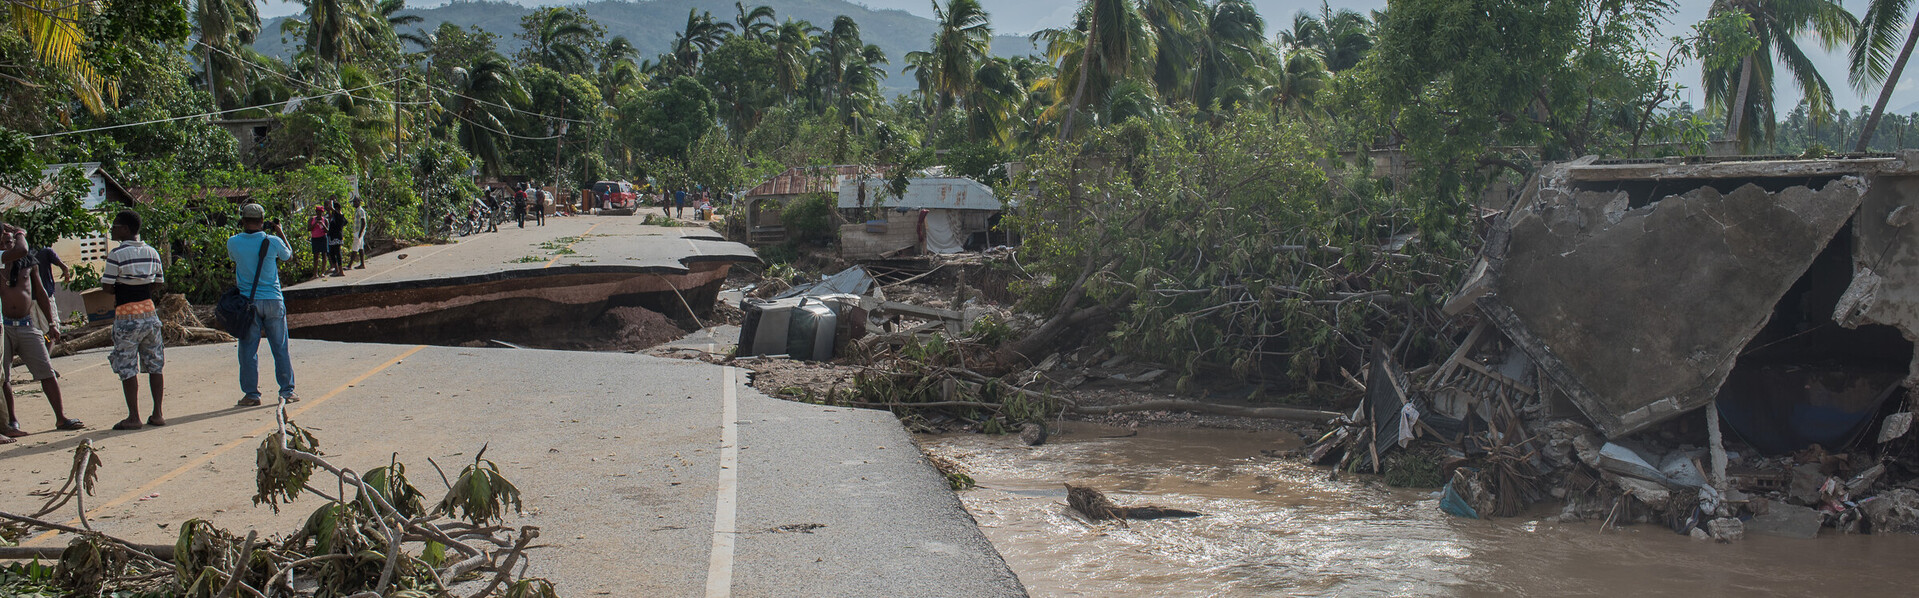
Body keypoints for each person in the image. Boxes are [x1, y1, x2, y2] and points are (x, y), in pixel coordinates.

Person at [0, 222, 76, 434]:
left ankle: (61, 418)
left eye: (10, 240)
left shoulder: (27, 262)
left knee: (47, 371)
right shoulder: (1, 260)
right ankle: (12, 421)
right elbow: (21, 248)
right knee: (4, 378)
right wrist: (19, 231)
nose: (7, 243)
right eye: (3, 241)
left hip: (26, 324)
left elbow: (40, 293)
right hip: (3, 325)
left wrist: (51, 322)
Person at [101, 211, 167, 430]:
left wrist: (125, 284)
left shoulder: (116, 254)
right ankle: (157, 413)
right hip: (149, 312)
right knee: (155, 363)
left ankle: (134, 416)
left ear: (126, 229)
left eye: (115, 226)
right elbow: (158, 282)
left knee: (127, 365)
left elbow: (107, 286)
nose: (112, 230)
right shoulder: (152, 252)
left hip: (126, 314)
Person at [228, 204, 298, 407]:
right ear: (262, 220)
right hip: (274, 300)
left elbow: (234, 259)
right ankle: (287, 390)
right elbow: (288, 256)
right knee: (280, 347)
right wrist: (280, 231)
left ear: (242, 220)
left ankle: (251, 394)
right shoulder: (273, 241)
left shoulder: (233, 242)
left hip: (248, 303)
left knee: (248, 350)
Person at [30, 245, 67, 330]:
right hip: (33, 298)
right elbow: (63, 267)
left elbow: (63, 266)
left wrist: (64, 269)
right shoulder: (44, 251)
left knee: (45, 329)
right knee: (48, 329)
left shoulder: (44, 251)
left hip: (43, 297)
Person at [326, 200, 347, 277]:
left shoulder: (339, 215)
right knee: (332, 253)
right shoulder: (334, 216)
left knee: (337, 253)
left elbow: (343, 221)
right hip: (332, 237)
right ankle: (337, 270)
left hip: (337, 236)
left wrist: (332, 207)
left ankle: (341, 271)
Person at [306, 205, 328, 276]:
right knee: (316, 256)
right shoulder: (312, 219)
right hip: (315, 238)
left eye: (320, 212)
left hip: (323, 237)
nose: (319, 214)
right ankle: (315, 273)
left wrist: (323, 224)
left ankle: (322, 272)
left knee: (324, 255)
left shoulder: (325, 220)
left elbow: (327, 230)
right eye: (318, 212)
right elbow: (309, 228)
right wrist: (315, 223)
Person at [350, 197, 369, 269]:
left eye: (355, 202)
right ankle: (362, 264)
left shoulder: (360, 211)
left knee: (355, 248)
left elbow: (363, 222)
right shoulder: (357, 210)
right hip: (357, 231)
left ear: (358, 202)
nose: (354, 204)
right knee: (361, 248)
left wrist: (360, 232)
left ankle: (350, 265)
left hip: (358, 231)